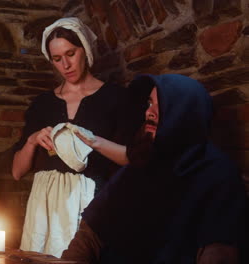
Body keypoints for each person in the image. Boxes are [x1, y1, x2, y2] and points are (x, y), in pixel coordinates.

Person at [62, 74, 247, 263]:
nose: (149, 112)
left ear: (186, 113)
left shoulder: (218, 175)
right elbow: (91, 232)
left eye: (162, 106)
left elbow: (218, 252)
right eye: (150, 103)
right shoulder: (143, 161)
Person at [12, 17, 145, 257]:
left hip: (93, 203)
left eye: (71, 53)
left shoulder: (116, 98)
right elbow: (17, 171)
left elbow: (132, 159)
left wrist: (94, 141)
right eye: (57, 59)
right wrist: (32, 140)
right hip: (45, 205)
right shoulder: (42, 105)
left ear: (85, 49)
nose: (66, 65)